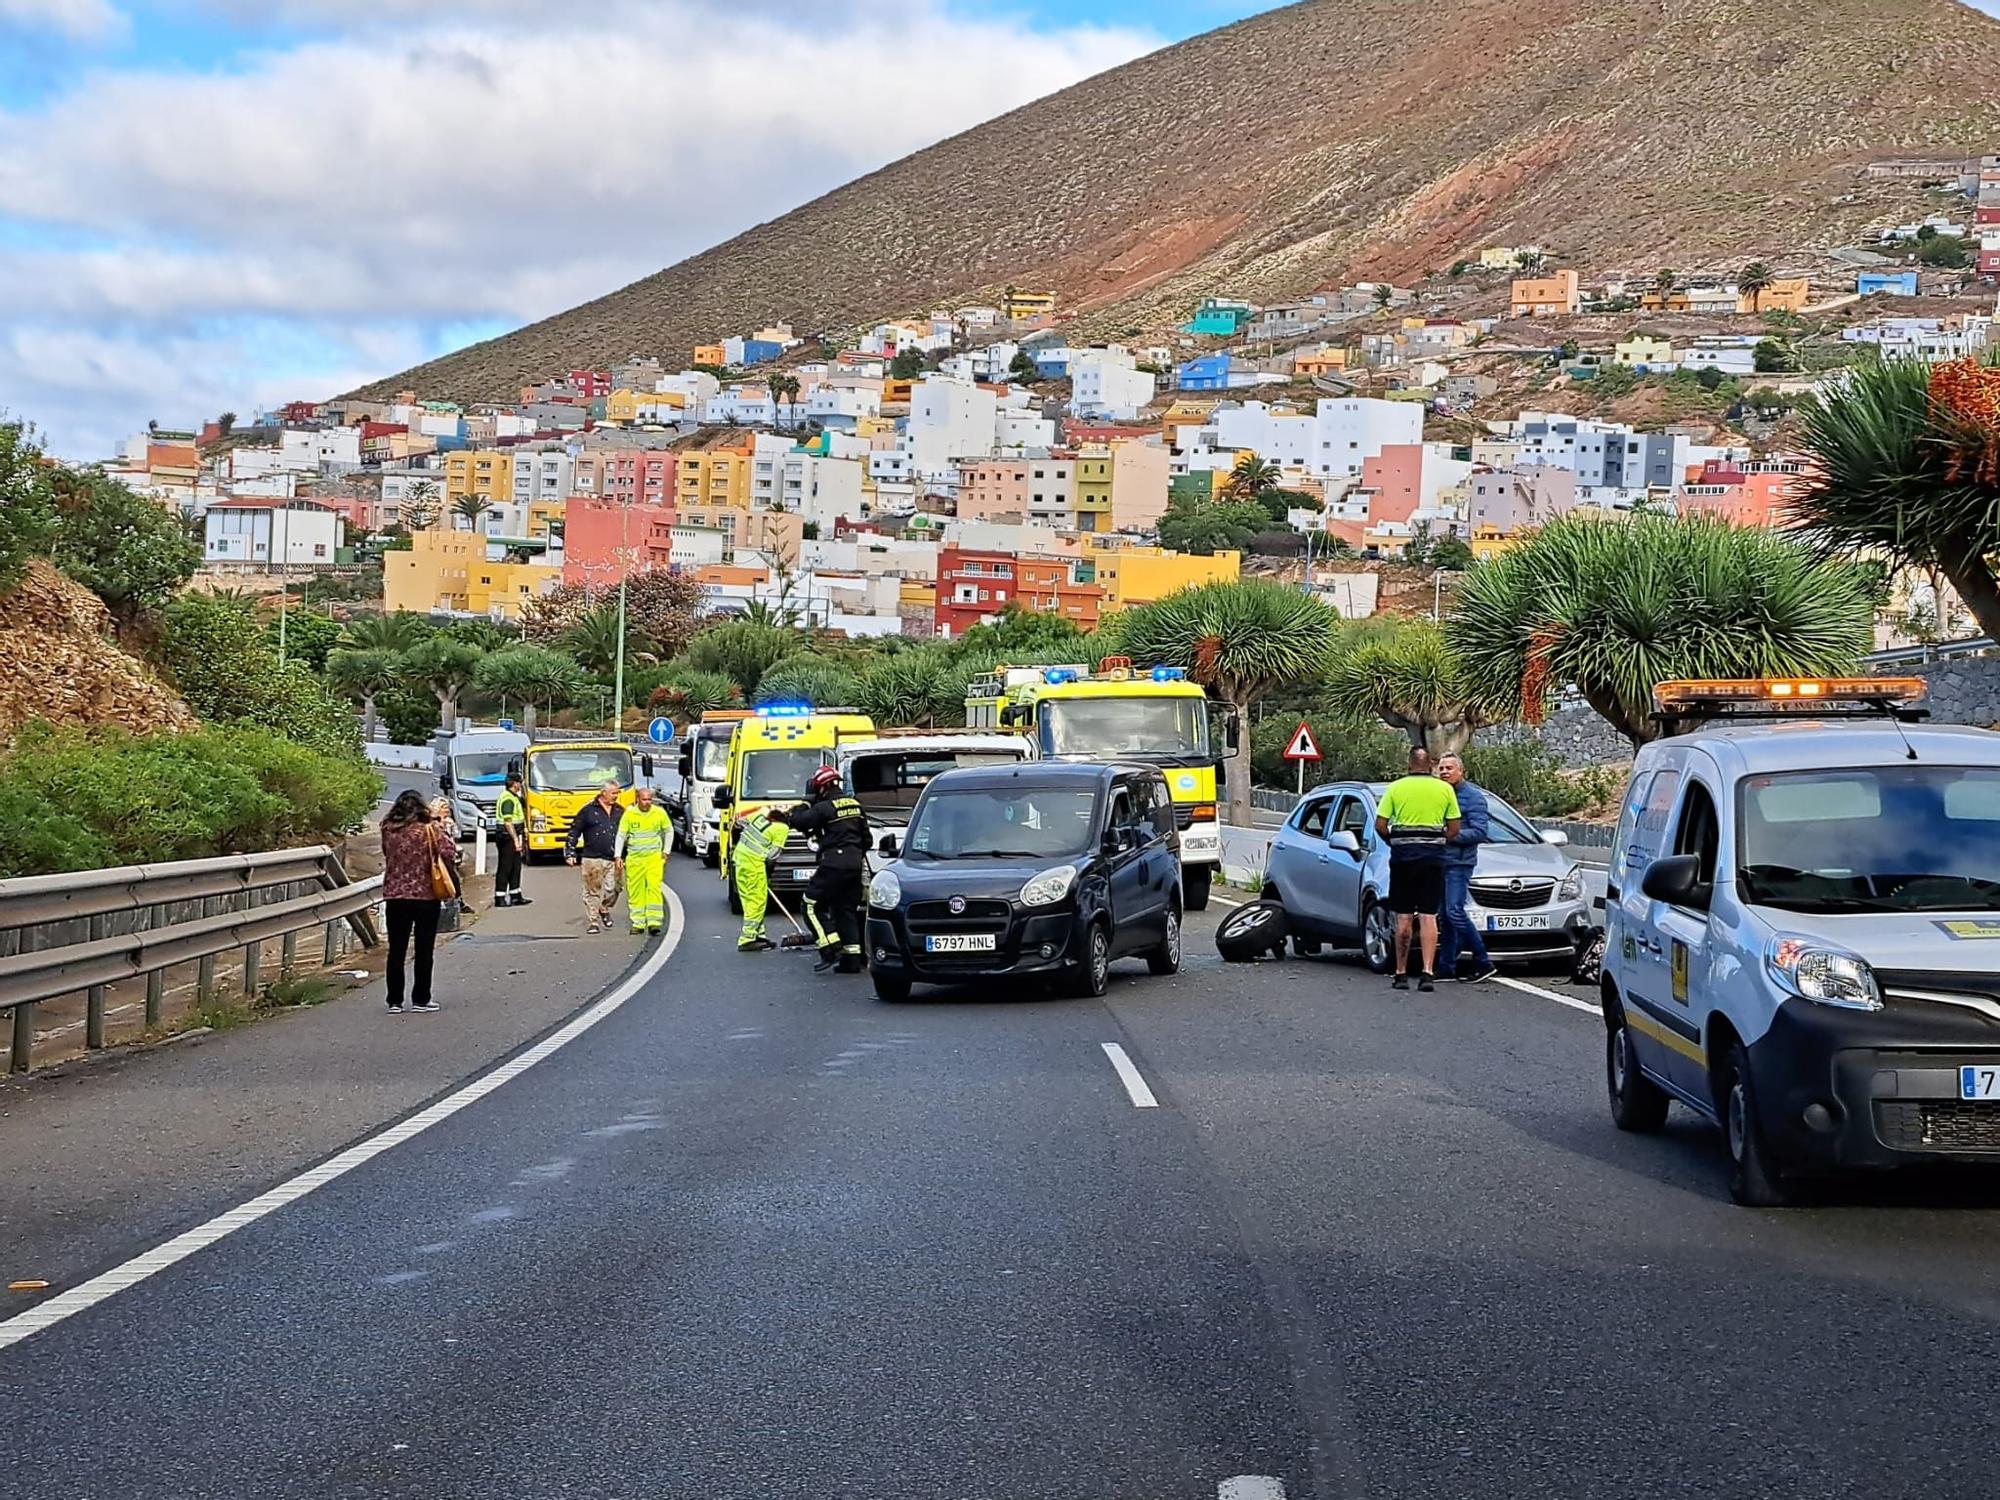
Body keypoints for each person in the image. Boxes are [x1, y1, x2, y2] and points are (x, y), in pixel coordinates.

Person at [1373, 746, 1461, 993]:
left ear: (1409, 764)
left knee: (1402, 917)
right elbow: (1454, 827)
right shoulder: (1444, 789)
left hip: (1403, 860)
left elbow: (1380, 825)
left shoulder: (1396, 788)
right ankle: (1427, 973)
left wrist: (1395, 841)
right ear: (1430, 765)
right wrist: (1438, 840)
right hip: (1433, 860)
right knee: (1428, 916)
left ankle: (1400, 973)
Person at [786, 764, 869, 974]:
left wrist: (804, 803)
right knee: (845, 910)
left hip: (833, 863)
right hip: (855, 863)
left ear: (820, 788)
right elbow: (866, 839)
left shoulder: (824, 808)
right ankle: (851, 960)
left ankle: (829, 949)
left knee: (811, 905)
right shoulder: (855, 805)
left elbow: (799, 821)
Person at [379, 789, 456, 1014]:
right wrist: (440, 823)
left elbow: (386, 854)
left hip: (395, 895)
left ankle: (394, 1000)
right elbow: (449, 852)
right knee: (424, 949)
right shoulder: (429, 830)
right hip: (425, 895)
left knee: (396, 949)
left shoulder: (387, 829)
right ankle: (421, 999)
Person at [1436, 753, 1497, 984]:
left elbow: (1480, 832)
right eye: (1441, 768)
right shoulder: (1440, 795)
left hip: (1459, 863)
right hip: (1440, 862)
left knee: (1454, 911)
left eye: (1449, 768)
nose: (1444, 772)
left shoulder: (1473, 797)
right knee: (1445, 916)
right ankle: (1446, 965)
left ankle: (1483, 961)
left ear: (1461, 770)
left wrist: (1450, 835)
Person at [565, 780, 626, 934]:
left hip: (614, 857)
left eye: (618, 793)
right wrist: (570, 852)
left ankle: (604, 907)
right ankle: (593, 921)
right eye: (613, 793)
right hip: (592, 857)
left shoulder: (620, 811)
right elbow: (574, 831)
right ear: (603, 793)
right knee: (592, 890)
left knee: (615, 888)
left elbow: (627, 833)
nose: (616, 796)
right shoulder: (588, 811)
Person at [732, 804, 792, 952]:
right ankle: (747, 940)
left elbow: (740, 821)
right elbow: (773, 854)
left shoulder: (760, 817)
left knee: (748, 900)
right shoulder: (782, 828)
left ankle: (758, 935)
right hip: (754, 865)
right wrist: (769, 870)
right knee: (757, 901)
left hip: (739, 861)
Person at [615, 785, 673, 936]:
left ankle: (654, 922)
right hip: (635, 859)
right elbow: (621, 835)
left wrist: (666, 851)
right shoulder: (630, 815)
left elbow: (668, 831)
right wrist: (617, 856)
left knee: (653, 888)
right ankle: (638, 923)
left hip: (653, 858)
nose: (647, 802)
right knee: (635, 891)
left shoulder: (659, 813)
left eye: (649, 799)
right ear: (637, 799)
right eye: (644, 799)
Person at [493, 772, 530, 908]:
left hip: (512, 835)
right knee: (505, 867)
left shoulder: (514, 797)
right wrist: (515, 839)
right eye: (520, 782)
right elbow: (508, 822)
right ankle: (500, 897)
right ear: (515, 784)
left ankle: (516, 895)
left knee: (516, 866)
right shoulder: (508, 799)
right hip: (506, 837)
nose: (521, 785)